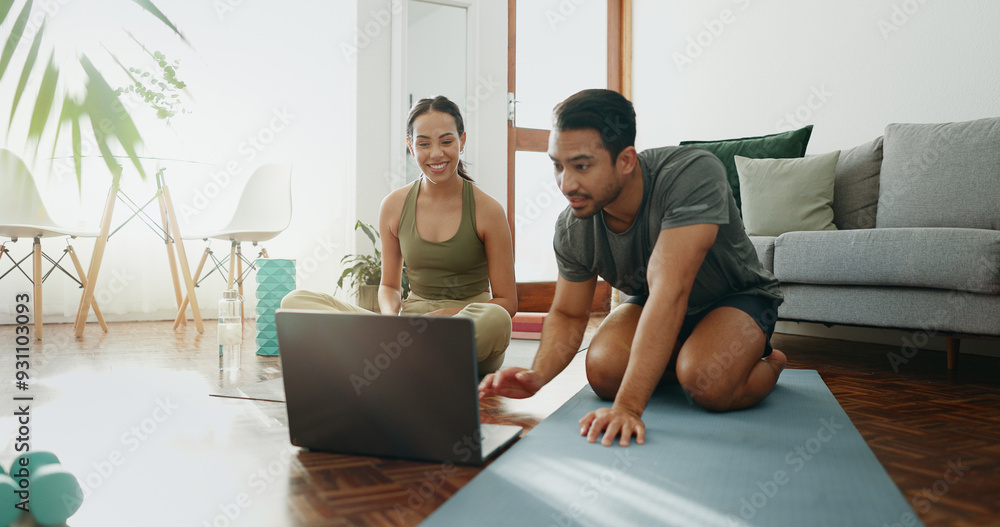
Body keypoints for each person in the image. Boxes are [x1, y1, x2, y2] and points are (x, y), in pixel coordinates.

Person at [478, 89, 786, 445]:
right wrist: (538, 374)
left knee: (707, 381)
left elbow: (672, 291)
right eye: (558, 166)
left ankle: (770, 360)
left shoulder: (692, 174)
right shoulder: (573, 226)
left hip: (738, 298)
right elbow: (568, 314)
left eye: (581, 166)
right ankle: (684, 359)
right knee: (603, 370)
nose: (566, 184)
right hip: (654, 302)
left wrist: (627, 406)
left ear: (625, 160)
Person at [281, 96, 516, 373]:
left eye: (446, 141)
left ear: (462, 141)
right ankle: (410, 358)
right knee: (295, 303)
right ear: (411, 146)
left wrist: (443, 319)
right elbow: (390, 287)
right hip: (406, 330)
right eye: (424, 143)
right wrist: (392, 320)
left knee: (496, 319)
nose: (436, 153)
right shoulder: (394, 205)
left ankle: (391, 359)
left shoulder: (487, 209)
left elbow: (507, 301)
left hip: (465, 328)